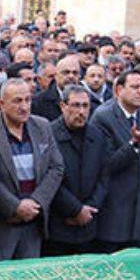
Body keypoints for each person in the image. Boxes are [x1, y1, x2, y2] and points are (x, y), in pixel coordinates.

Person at [83, 70, 140, 252]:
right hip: (113, 212)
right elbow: (105, 165)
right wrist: (134, 144)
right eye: (135, 87)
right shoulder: (103, 117)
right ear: (118, 90)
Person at [0, 78, 64, 260]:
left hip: (34, 221)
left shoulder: (42, 126)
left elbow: (56, 167)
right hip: (1, 225)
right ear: (2, 104)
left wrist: (37, 201)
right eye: (17, 101)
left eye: (28, 100)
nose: (25, 106)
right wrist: (14, 206)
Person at [46, 85, 101, 256]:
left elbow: (104, 175)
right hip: (59, 224)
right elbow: (49, 179)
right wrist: (75, 210)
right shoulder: (49, 133)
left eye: (85, 106)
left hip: (89, 223)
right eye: (76, 105)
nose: (81, 111)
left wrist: (90, 207)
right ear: (63, 106)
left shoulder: (96, 134)